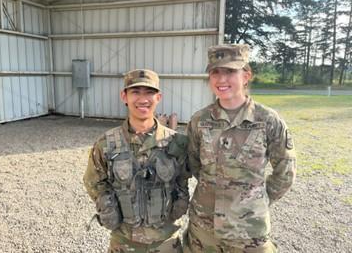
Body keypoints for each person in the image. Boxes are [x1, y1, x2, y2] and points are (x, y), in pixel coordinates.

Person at [184, 44, 297, 253]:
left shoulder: (268, 120)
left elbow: (285, 171)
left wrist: (256, 200)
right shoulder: (200, 120)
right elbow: (193, 164)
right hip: (204, 230)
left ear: (246, 75)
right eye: (215, 72)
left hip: (249, 233)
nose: (221, 79)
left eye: (230, 71)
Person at [83, 69, 190, 253]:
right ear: (124, 96)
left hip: (166, 242)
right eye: (135, 92)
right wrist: (107, 204)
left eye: (149, 92)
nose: (143, 99)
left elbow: (184, 179)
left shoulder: (177, 143)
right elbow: (93, 181)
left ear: (159, 97)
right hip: (124, 243)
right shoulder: (106, 144)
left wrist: (181, 199)